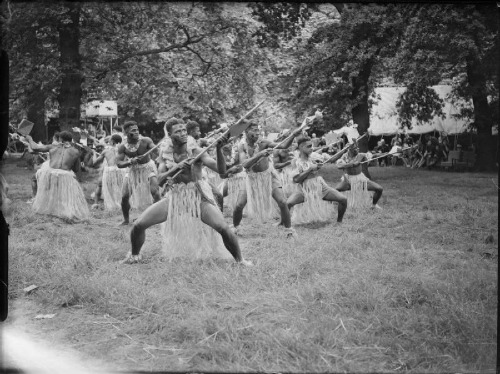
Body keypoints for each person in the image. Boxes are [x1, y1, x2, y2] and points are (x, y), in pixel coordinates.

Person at [122, 120, 252, 266]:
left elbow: (221, 172)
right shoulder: (165, 153)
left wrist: (219, 150)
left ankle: (241, 261)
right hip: (175, 196)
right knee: (139, 225)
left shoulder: (196, 151)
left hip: (197, 196)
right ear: (169, 134)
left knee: (223, 228)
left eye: (184, 130)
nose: (183, 133)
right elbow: (159, 180)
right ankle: (134, 256)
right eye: (178, 131)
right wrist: (175, 168)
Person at [224, 121, 302, 237]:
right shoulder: (242, 146)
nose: (257, 132)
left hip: (268, 175)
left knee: (282, 201)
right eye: (254, 130)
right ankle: (235, 227)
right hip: (251, 178)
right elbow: (245, 164)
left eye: (258, 130)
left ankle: (289, 230)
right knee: (239, 205)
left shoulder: (263, 142)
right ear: (246, 131)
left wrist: (293, 135)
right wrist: (260, 155)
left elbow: (283, 145)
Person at [24, 131, 90, 221]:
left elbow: (34, 148)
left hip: (51, 174)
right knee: (63, 196)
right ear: (70, 140)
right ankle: (62, 212)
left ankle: (51, 211)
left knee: (51, 192)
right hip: (66, 175)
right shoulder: (75, 151)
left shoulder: (53, 146)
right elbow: (76, 169)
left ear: (60, 139)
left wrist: (30, 139)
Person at [287, 135, 348, 224]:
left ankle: (339, 222)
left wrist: (345, 149)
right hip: (304, 189)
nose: (311, 148)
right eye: (308, 146)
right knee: (288, 204)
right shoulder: (295, 161)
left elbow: (332, 159)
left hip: (320, 185)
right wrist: (310, 169)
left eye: (311, 146)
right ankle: (285, 224)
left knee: (343, 199)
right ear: (301, 147)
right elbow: (296, 180)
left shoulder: (314, 156)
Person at [116, 121, 161, 225]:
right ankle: (126, 220)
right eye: (133, 130)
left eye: (137, 130)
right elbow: (118, 163)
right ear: (127, 133)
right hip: (133, 170)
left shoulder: (146, 141)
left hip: (148, 168)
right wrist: (129, 161)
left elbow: (158, 152)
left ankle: (158, 219)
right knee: (124, 196)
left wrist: (161, 153)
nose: (137, 132)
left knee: (155, 192)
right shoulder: (123, 146)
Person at [335, 140, 383, 210]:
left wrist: (389, 153)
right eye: (355, 148)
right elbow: (338, 166)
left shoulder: (360, 155)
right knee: (336, 190)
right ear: (350, 149)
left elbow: (374, 155)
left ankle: (373, 205)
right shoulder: (344, 156)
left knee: (379, 189)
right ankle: (337, 203)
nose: (357, 149)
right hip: (348, 179)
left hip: (360, 179)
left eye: (358, 148)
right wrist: (350, 164)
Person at [88, 134, 125, 210]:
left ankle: (110, 206)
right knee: (121, 189)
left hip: (110, 171)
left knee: (108, 189)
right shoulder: (124, 149)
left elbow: (94, 163)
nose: (108, 141)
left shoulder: (106, 150)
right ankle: (120, 205)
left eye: (110, 140)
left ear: (112, 141)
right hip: (121, 170)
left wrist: (94, 153)